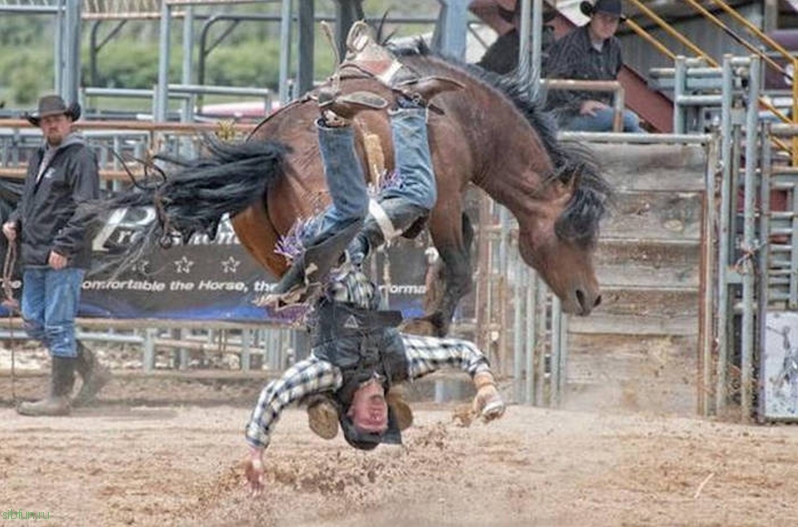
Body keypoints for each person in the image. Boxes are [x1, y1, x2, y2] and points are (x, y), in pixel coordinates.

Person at [2, 95, 109, 416]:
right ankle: (90, 369)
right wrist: (16, 219)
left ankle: (59, 397)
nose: (51, 124)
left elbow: (87, 207)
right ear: (40, 125)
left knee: (57, 324)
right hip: (35, 252)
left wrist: (64, 245)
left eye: (57, 118)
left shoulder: (80, 156)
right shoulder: (40, 156)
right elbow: (30, 199)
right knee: (35, 321)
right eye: (46, 120)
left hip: (62, 254)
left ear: (69, 120)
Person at [542, 0, 645, 133]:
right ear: (592, 16)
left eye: (613, 20)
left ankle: (661, 147)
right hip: (566, 116)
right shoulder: (571, 45)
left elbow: (613, 84)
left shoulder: (615, 47)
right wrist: (581, 104)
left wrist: (610, 108)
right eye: (602, 18)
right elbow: (553, 86)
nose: (607, 24)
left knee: (635, 130)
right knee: (630, 120)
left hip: (600, 114)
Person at [476, 0, 556, 75]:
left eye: (532, 17)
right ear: (514, 21)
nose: (527, 22)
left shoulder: (553, 48)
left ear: (541, 21)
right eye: (520, 17)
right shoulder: (503, 44)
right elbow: (484, 68)